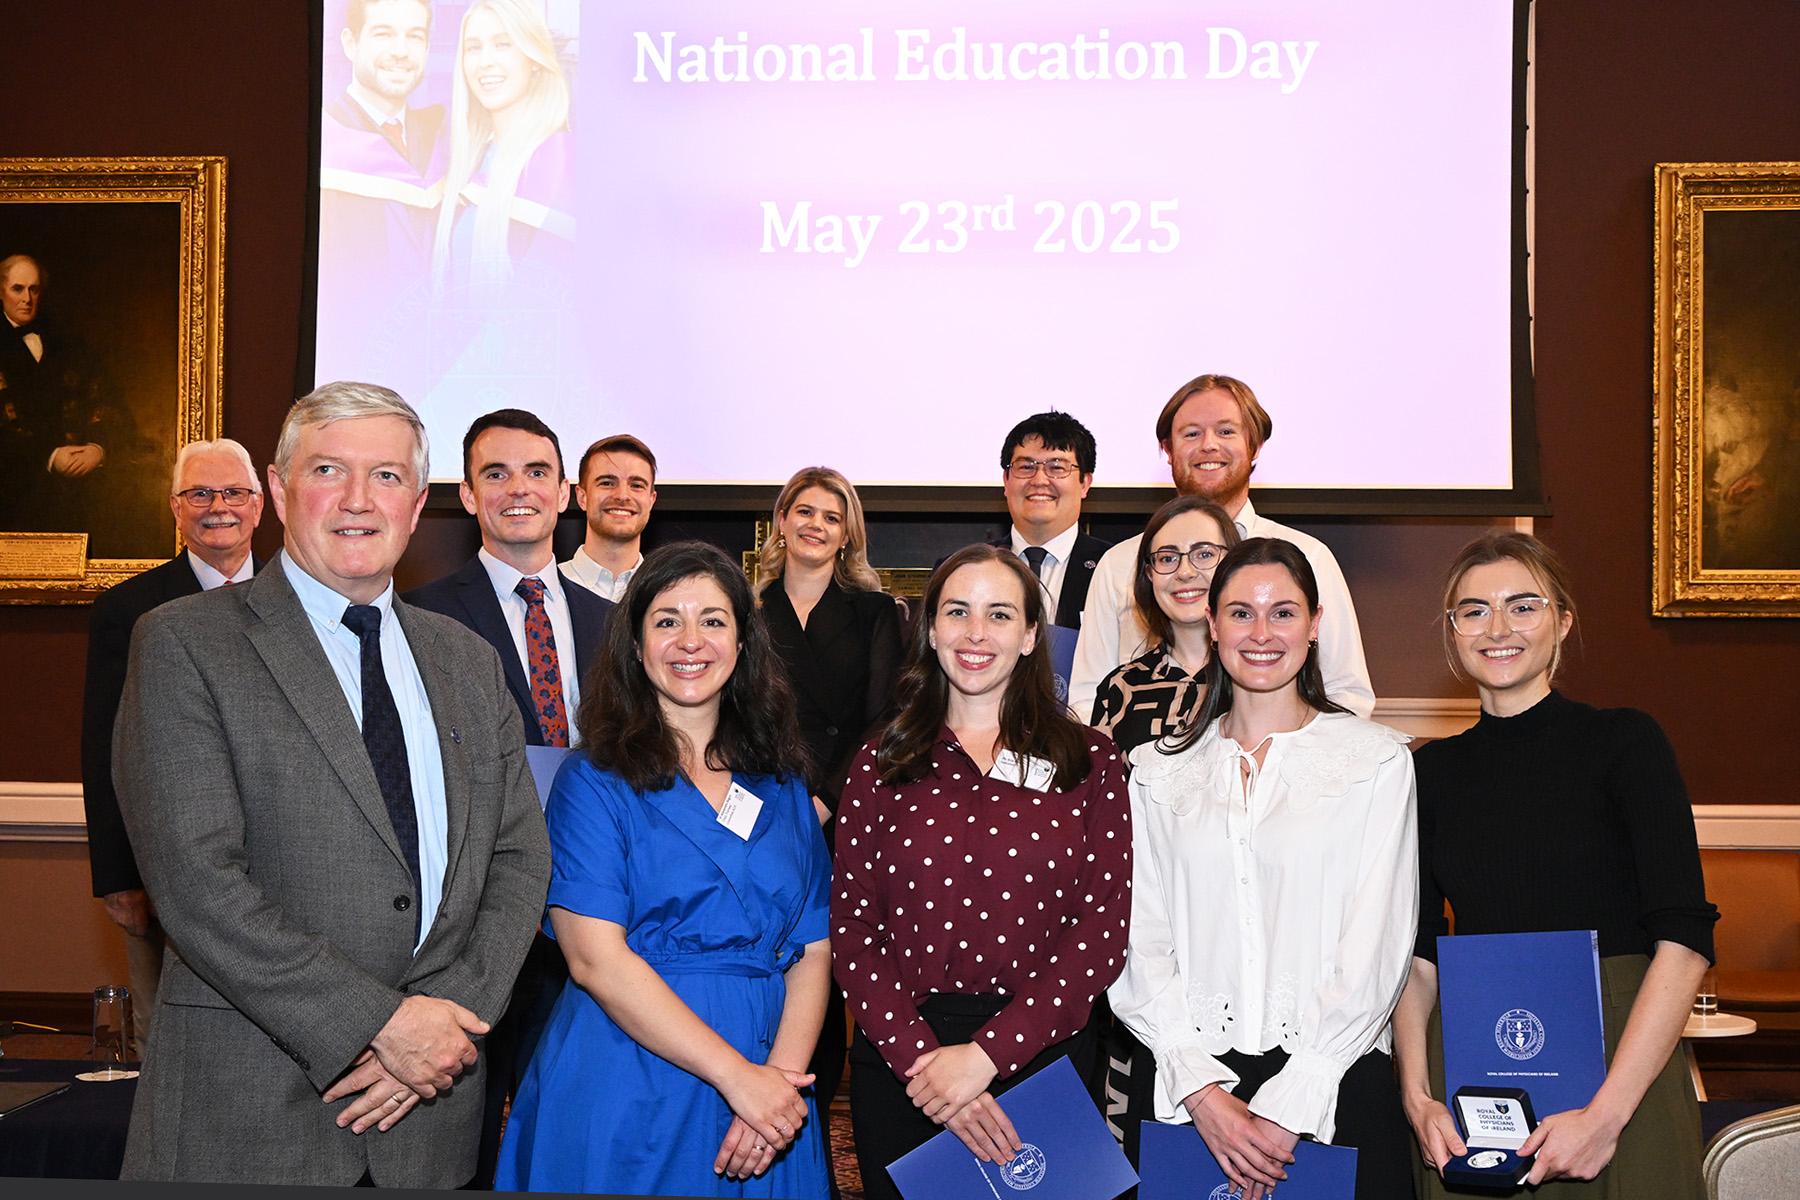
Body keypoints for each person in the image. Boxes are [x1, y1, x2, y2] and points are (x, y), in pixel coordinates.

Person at [112, 382, 551, 1187]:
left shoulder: (467, 660)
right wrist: (382, 1025)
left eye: (386, 476)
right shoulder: (185, 644)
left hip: (431, 1112)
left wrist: (446, 1023)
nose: (358, 499)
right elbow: (197, 883)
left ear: (415, 506)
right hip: (250, 1117)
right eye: (328, 470)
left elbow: (519, 858)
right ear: (280, 491)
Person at [496, 541, 833, 1198]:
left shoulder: (784, 783)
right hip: (630, 1072)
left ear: (743, 642)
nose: (691, 641)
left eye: (713, 620)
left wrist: (777, 1086)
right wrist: (738, 1078)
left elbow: (814, 950)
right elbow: (595, 960)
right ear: (636, 643)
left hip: (770, 1081)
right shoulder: (592, 782)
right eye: (667, 620)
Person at [1393, 531, 1716, 1199]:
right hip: (1473, 1078)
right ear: (1453, 633)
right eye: (1474, 610)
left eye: (1523, 605)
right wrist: (1417, 1097)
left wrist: (1605, 1117)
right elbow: (1416, 956)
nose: (1498, 628)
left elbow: (1684, 942)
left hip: (1623, 1065)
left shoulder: (1625, 742)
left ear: (1563, 621)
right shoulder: (1429, 773)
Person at [1109, 538, 1416, 1200]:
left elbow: (1378, 940)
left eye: (1283, 612)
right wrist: (1198, 1088)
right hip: (1189, 1091)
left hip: (1334, 1081)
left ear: (1314, 624)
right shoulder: (1157, 771)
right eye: (1241, 613)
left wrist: (1296, 1098)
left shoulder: (1377, 761)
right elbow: (1138, 939)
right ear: (1213, 625)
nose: (1262, 633)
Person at [833, 544, 1131, 1200]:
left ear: (1029, 635)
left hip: (1042, 1054)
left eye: (999, 614)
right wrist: (926, 1067)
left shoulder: (1090, 762)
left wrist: (988, 1057)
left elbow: (1102, 931)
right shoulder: (877, 763)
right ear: (930, 629)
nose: (975, 632)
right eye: (957, 612)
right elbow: (853, 934)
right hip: (904, 1062)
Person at [401, 407, 612, 1188]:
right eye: (496, 474)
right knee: (463, 1126)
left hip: (593, 904)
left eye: (536, 473)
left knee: (575, 1118)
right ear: (467, 495)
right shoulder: (418, 616)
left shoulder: (613, 622)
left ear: (565, 493)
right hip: (472, 911)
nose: (518, 489)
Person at [81, 438, 264, 1055]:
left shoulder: (306, 596)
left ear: (259, 504)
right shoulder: (128, 609)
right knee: (165, 1047)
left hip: (282, 869)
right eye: (200, 494)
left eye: (234, 492)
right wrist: (119, 877)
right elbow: (105, 749)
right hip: (163, 876)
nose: (219, 507)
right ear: (175, 508)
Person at [1068, 374, 1374, 721]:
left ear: (1254, 446)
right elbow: (1087, 698)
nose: (1209, 445)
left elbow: (1347, 695)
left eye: (1226, 431)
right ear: (1168, 449)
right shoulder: (1119, 563)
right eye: (1191, 434)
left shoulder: (1309, 557)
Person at [755, 465, 905, 1149]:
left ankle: (807, 1122)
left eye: (832, 517)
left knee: (830, 967)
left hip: (846, 814)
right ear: (782, 522)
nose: (816, 525)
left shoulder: (876, 614)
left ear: (848, 535)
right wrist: (781, 802)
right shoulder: (746, 608)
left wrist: (824, 801)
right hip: (757, 810)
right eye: (805, 511)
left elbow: (883, 720)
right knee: (764, 956)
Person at [0, 254, 156, 553]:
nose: (26, 299)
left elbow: (106, 401)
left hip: (79, 492)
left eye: (34, 289)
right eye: (17, 289)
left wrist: (98, 448)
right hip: (15, 491)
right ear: (1, 291)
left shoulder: (68, 342)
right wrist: (49, 457)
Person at [431, 0, 573, 285]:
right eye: (474, 48)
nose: (485, 61)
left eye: (503, 44)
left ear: (534, 58)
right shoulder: (468, 160)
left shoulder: (556, 160)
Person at [1089, 494, 1241, 756]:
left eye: (1204, 554)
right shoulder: (1120, 688)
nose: (1185, 572)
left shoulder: (1258, 676)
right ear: (1149, 574)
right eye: (1168, 558)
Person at [319, 0, 445, 297]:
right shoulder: (322, 143)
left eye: (415, 36)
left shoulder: (442, 141)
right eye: (383, 34)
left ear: (427, 48)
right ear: (350, 44)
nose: (401, 51)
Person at [996, 411, 1111, 630]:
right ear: (1006, 481)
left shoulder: (1118, 567)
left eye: (1056, 467)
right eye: (1026, 467)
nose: (1039, 480)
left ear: (1085, 483)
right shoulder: (964, 569)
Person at [561, 433, 657, 602]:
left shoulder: (667, 592)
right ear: (582, 497)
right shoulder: (550, 589)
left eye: (636, 485)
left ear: (651, 501)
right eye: (607, 483)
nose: (622, 496)